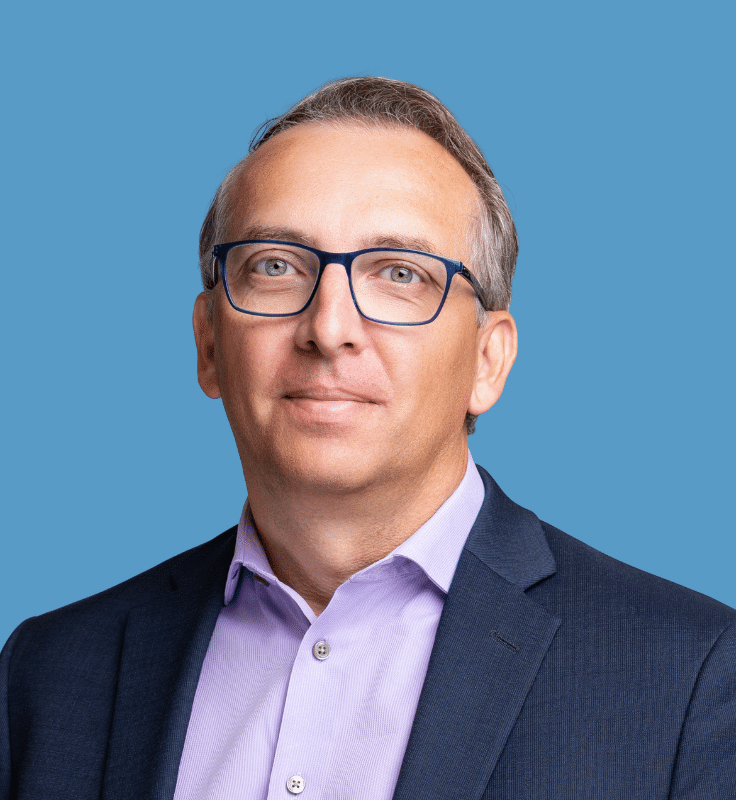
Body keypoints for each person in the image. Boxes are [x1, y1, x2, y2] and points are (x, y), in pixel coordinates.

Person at [1, 77, 734, 800]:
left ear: (488, 361)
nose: (328, 329)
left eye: (400, 274)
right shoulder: (48, 673)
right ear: (209, 345)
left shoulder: (687, 678)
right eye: (276, 266)